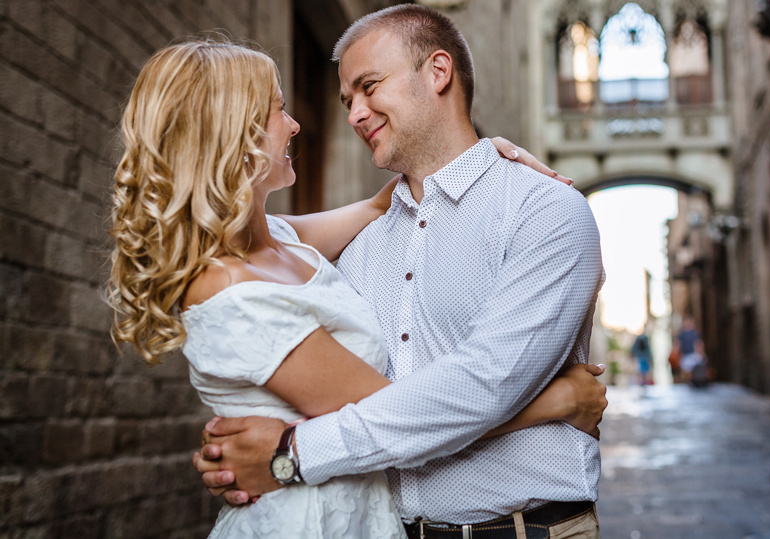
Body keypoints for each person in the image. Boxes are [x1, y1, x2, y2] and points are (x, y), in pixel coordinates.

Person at [107, 39, 606, 538]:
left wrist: (478, 158)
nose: (296, 124)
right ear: (231, 133)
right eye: (279, 109)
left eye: (369, 87)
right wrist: (555, 402)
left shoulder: (283, 240)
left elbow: (374, 206)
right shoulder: (233, 290)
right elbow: (401, 412)